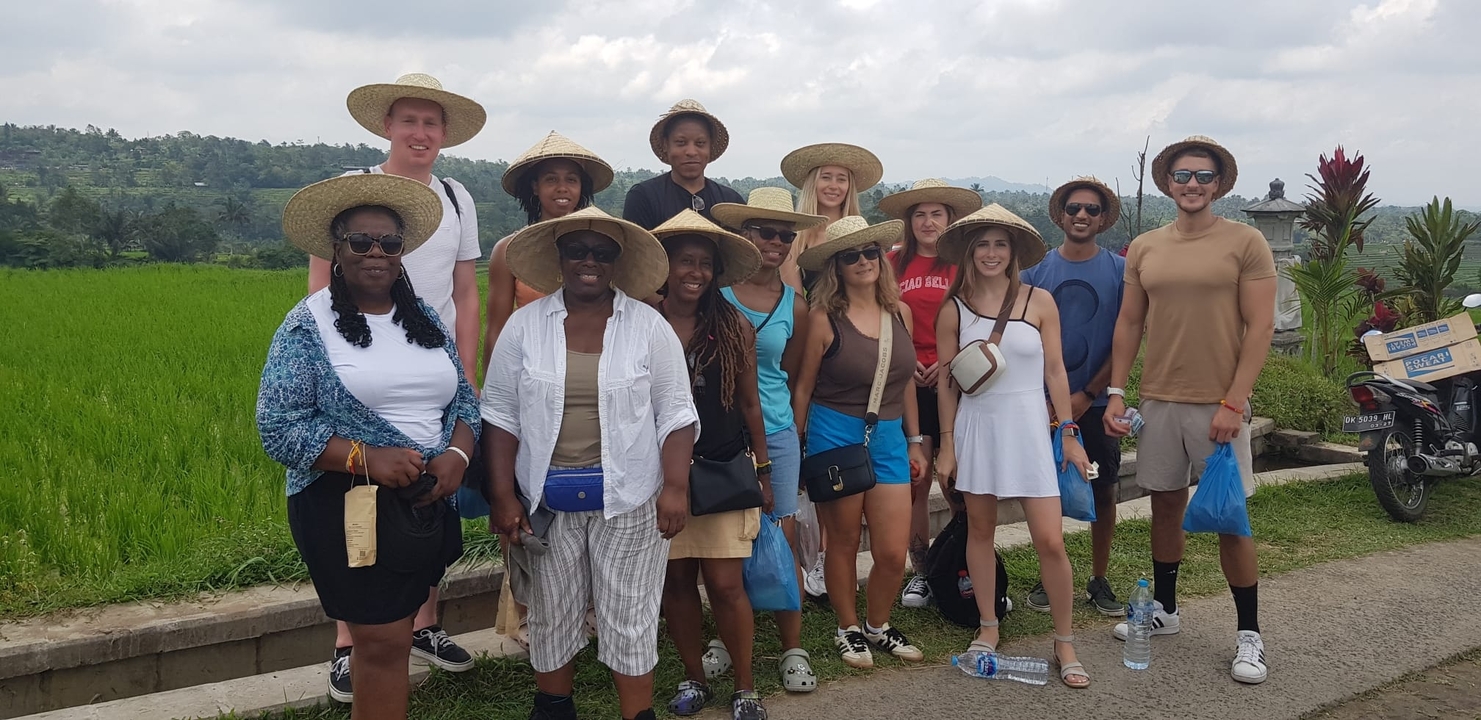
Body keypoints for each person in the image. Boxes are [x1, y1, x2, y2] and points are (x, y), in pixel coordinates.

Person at [258, 173, 479, 720]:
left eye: (389, 242)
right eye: (360, 242)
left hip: (424, 503)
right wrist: (366, 457)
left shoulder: (424, 319)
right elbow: (278, 426)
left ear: (404, 252)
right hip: (347, 503)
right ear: (337, 250)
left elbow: (465, 404)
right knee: (381, 642)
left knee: (397, 634)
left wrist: (458, 455)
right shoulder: (308, 325)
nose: (375, 252)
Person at [483, 206, 699, 720]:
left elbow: (676, 412)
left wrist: (675, 487)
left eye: (602, 254)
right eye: (577, 250)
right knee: (553, 610)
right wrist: (503, 494)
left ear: (616, 263)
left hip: (630, 496)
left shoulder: (648, 326)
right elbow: (500, 415)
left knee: (629, 612)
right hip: (546, 496)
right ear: (559, 257)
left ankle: (636, 714)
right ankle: (554, 707)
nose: (589, 261)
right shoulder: (525, 326)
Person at [309, 73, 487, 698]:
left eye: (430, 124)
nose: (419, 133)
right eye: (408, 121)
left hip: (430, 369)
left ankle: (423, 623)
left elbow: (466, 292)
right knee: (357, 497)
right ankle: (348, 644)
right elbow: (318, 287)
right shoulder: (354, 191)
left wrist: (464, 373)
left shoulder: (458, 198)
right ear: (386, 126)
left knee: (430, 490)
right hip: (360, 363)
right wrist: (331, 365)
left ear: (443, 135)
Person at [1103, 136, 1276, 685]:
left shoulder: (1246, 242)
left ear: (1220, 183)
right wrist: (1116, 391)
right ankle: (1167, 611)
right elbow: (1129, 323)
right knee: (1165, 508)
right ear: (1168, 183)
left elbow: (1261, 327)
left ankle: (1249, 636)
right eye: (1183, 175)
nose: (1193, 184)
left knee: (1230, 518)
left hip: (1218, 405)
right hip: (1158, 399)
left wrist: (1234, 401)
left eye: (1204, 176)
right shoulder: (1147, 246)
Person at [933, 204, 1093, 689]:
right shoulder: (952, 308)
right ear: (968, 251)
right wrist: (946, 446)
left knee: (1050, 539)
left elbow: (1055, 371)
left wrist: (1068, 432)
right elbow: (946, 383)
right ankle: (988, 625)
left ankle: (1064, 639)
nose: (991, 253)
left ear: (1014, 251)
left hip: (1029, 425)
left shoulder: (1040, 300)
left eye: (1000, 244)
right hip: (977, 427)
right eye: (981, 244)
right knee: (980, 532)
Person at [481, 131, 614, 650]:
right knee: (525, 502)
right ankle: (531, 612)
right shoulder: (508, 251)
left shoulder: (603, 243)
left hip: (589, 391)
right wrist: (497, 399)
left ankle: (591, 611)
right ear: (533, 188)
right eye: (551, 178)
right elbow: (497, 329)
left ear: (583, 188)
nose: (562, 187)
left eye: (571, 178)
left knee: (590, 506)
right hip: (531, 391)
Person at [648, 210, 769, 720]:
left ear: (716, 273)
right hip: (657, 475)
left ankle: (745, 686)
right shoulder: (641, 319)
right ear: (665, 267)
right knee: (676, 583)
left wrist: (763, 469)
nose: (694, 272)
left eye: (704, 264)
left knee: (724, 584)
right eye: (684, 262)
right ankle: (694, 677)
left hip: (720, 467)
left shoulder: (731, 323)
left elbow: (748, 403)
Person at [791, 215, 927, 669]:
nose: (864, 261)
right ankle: (847, 628)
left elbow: (905, 380)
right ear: (836, 267)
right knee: (844, 541)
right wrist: (799, 451)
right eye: (851, 255)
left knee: (892, 549)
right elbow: (804, 389)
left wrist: (914, 439)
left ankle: (878, 623)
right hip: (835, 435)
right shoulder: (823, 318)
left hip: (888, 435)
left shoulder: (899, 312)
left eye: (871, 252)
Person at [703, 187, 824, 692]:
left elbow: (792, 378)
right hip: (719, 436)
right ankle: (729, 635)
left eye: (784, 234)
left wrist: (791, 433)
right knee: (723, 543)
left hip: (774, 432)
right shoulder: (717, 295)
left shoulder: (795, 307)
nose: (775, 242)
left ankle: (791, 644)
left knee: (782, 535)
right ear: (743, 237)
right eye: (764, 232)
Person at [1020, 176, 1127, 617]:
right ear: (1061, 215)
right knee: (1046, 492)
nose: (1082, 215)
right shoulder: (1035, 272)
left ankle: (1098, 577)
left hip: (1097, 404)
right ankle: (1051, 576)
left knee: (1103, 490)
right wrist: (1048, 400)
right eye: (1074, 208)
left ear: (1102, 219)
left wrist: (1089, 392)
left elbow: (1125, 340)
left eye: (1091, 209)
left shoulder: (1120, 272)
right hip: (1041, 404)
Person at [877, 178, 983, 608]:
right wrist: (909, 363)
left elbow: (979, 319)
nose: (927, 222)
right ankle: (921, 571)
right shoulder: (891, 262)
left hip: (954, 381)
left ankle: (960, 559)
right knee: (914, 482)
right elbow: (883, 315)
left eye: (936, 214)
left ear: (950, 219)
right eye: (919, 214)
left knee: (958, 479)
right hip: (905, 381)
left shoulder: (964, 264)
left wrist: (949, 361)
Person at [778, 142, 883, 294]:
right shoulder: (795, 240)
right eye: (826, 177)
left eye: (841, 179)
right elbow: (794, 301)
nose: (833, 186)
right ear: (812, 183)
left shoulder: (862, 233)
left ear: (849, 186)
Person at [623, 100, 743, 231]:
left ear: (710, 146)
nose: (691, 152)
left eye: (700, 143)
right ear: (665, 145)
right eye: (681, 142)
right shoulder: (644, 197)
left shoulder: (730, 202)